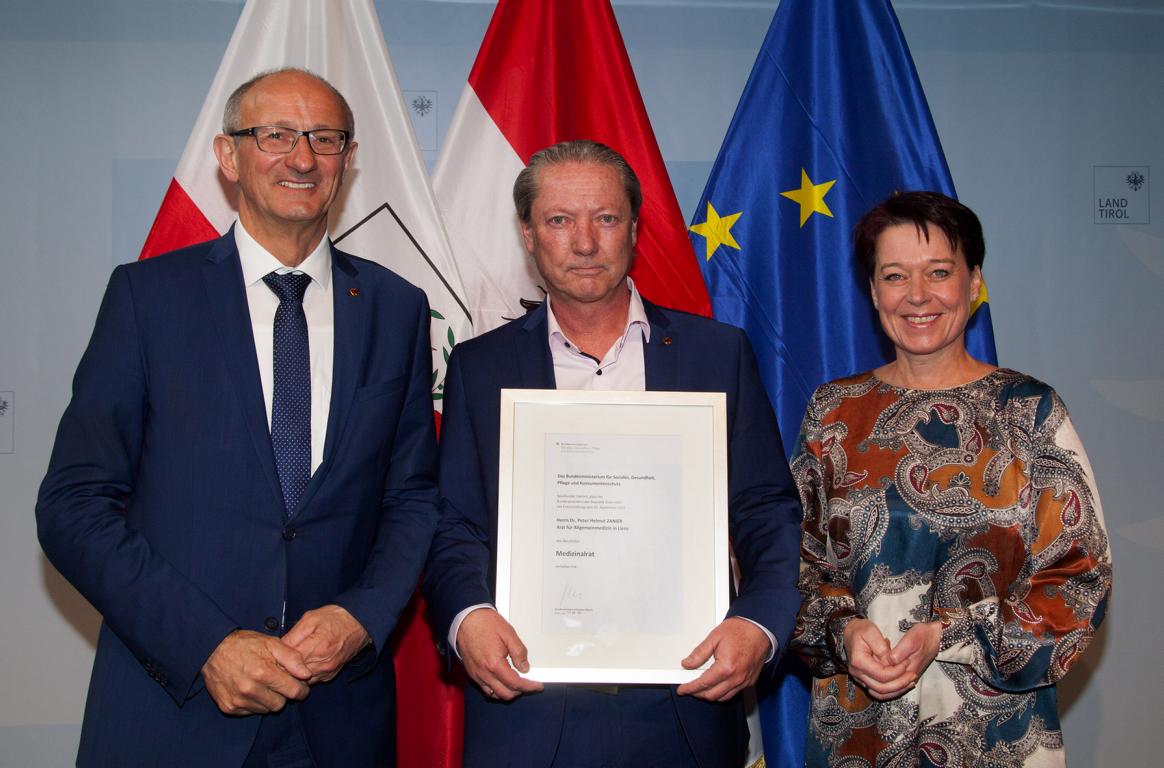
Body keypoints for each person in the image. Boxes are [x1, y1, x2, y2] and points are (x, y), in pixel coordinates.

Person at [36, 68, 440, 767]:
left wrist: (362, 615)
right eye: (275, 135)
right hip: (175, 710)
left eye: (324, 138)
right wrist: (207, 645)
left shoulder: (396, 308)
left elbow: (411, 498)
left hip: (338, 717)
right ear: (229, 156)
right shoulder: (147, 299)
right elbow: (73, 507)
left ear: (347, 159)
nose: (303, 158)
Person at [421, 139, 803, 768]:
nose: (584, 243)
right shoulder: (479, 367)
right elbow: (454, 522)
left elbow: (765, 508)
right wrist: (467, 617)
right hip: (527, 713)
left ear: (634, 229)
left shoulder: (717, 354)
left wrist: (758, 623)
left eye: (605, 218)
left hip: (687, 708)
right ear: (528, 235)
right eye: (559, 220)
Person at [790, 191, 1112, 767]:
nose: (917, 295)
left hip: (998, 737)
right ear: (873, 291)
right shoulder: (833, 412)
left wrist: (951, 635)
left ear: (975, 282)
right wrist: (844, 629)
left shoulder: (1029, 412)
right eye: (895, 275)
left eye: (939, 272)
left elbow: (1079, 582)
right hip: (858, 736)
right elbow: (795, 568)